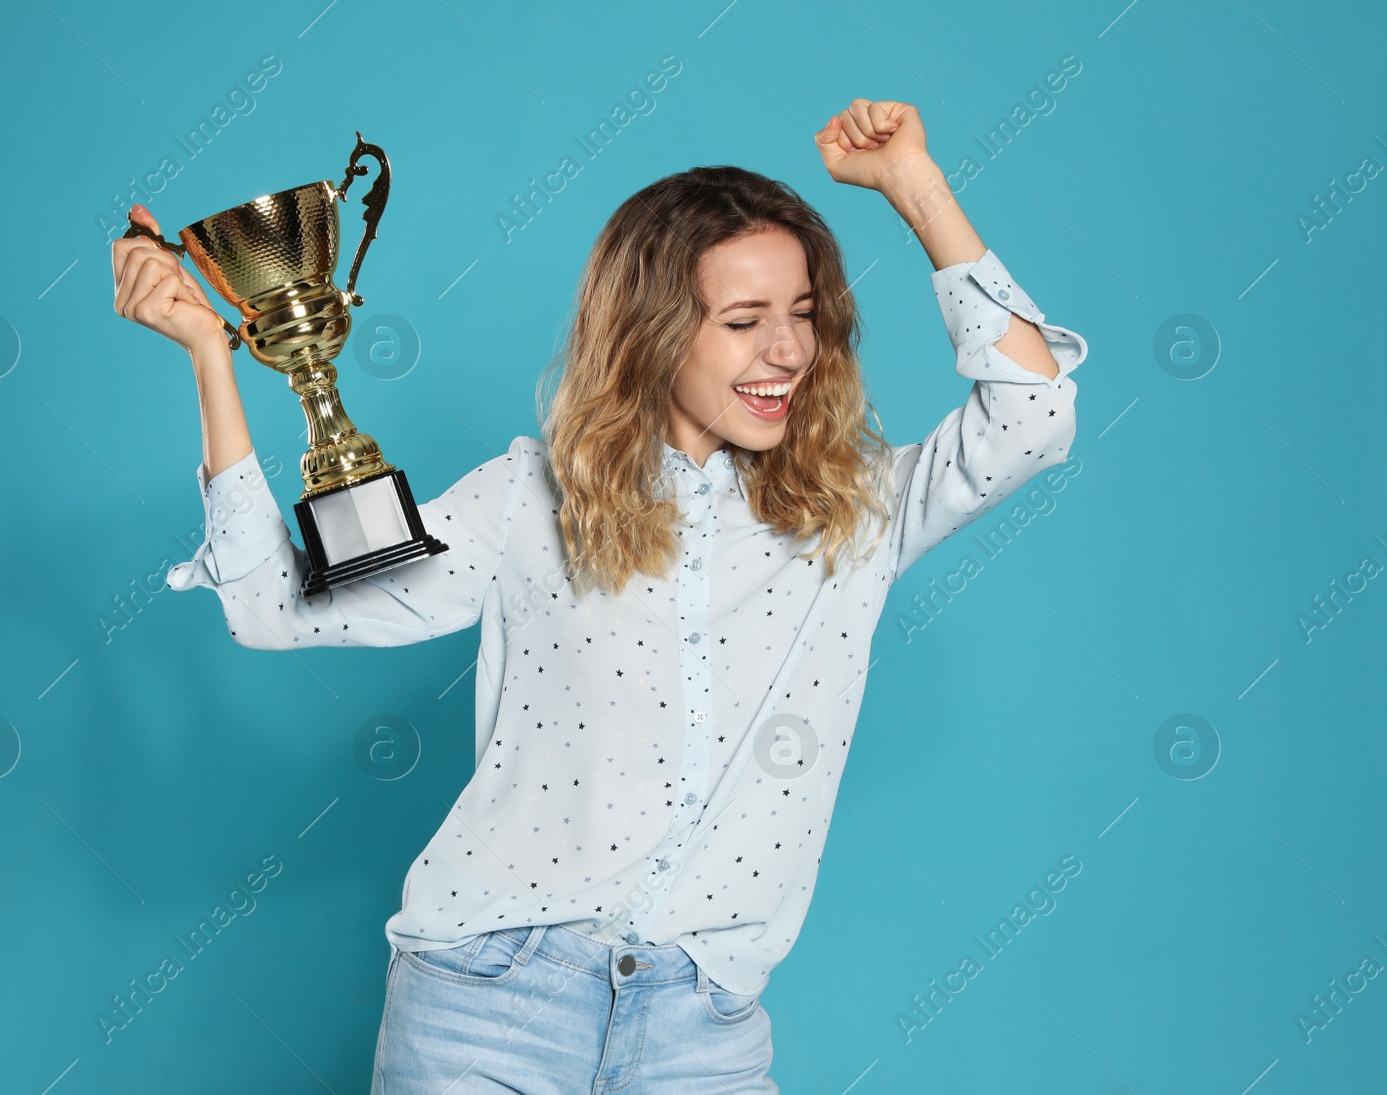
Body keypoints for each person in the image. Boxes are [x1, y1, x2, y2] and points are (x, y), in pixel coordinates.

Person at [112, 96, 1088, 1094]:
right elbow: (273, 606)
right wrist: (208, 355)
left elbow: (1032, 413)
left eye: (803, 314)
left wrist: (911, 186)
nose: (789, 350)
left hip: (701, 1028)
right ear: (653, 334)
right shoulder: (525, 502)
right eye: (744, 321)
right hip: (484, 1004)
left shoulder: (854, 511)